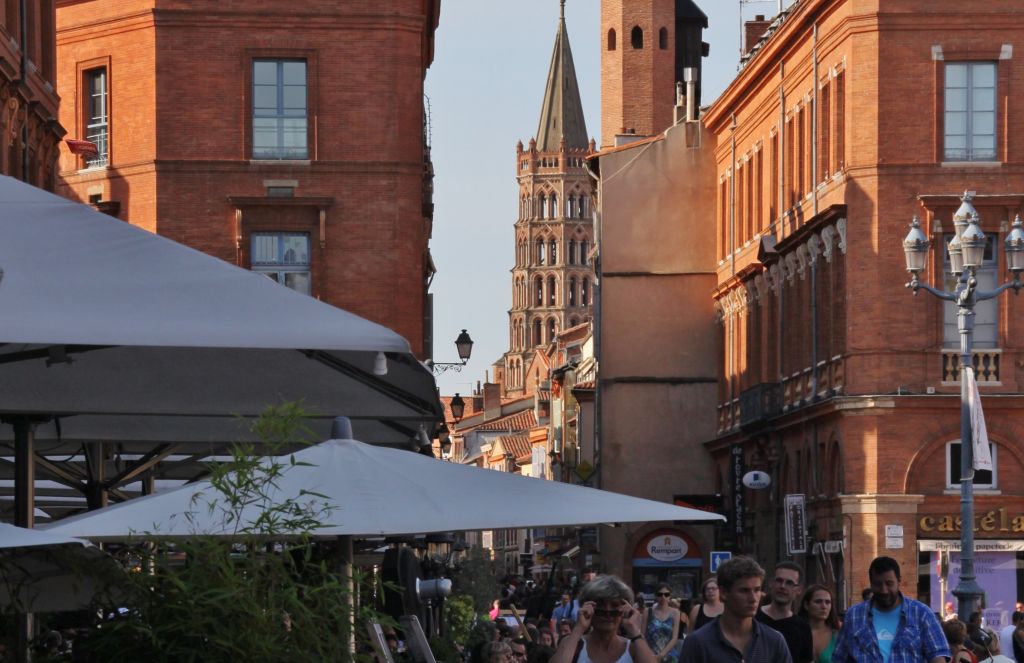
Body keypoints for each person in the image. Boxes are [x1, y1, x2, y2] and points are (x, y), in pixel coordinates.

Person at [831, 555, 950, 663]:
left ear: (899, 581)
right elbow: (839, 657)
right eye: (878, 584)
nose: (884, 590)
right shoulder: (854, 615)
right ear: (871, 584)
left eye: (889, 583)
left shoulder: (921, 613)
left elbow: (938, 654)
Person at [679, 556, 791, 662]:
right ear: (723, 593)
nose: (753, 598)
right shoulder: (698, 643)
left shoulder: (774, 641)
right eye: (744, 590)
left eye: (757, 590)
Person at [550, 574, 658, 663]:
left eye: (614, 605)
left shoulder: (633, 648)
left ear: (626, 610)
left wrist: (634, 630)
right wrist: (579, 628)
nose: (607, 613)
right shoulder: (574, 644)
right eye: (600, 605)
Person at [756, 561, 814, 663]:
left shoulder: (802, 627)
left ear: (799, 590)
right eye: (779, 580)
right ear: (771, 583)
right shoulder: (753, 618)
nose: (783, 586)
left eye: (789, 583)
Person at [798, 584, 841, 663]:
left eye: (827, 602)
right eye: (818, 601)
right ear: (806, 605)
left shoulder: (839, 635)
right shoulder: (796, 632)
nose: (824, 606)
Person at [642, 583, 681, 662]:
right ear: (656, 596)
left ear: (670, 596)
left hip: (669, 656)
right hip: (650, 655)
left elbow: (674, 638)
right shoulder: (648, 611)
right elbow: (642, 635)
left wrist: (661, 655)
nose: (663, 597)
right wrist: (649, 653)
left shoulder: (675, 613)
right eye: (660, 594)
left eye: (666, 594)